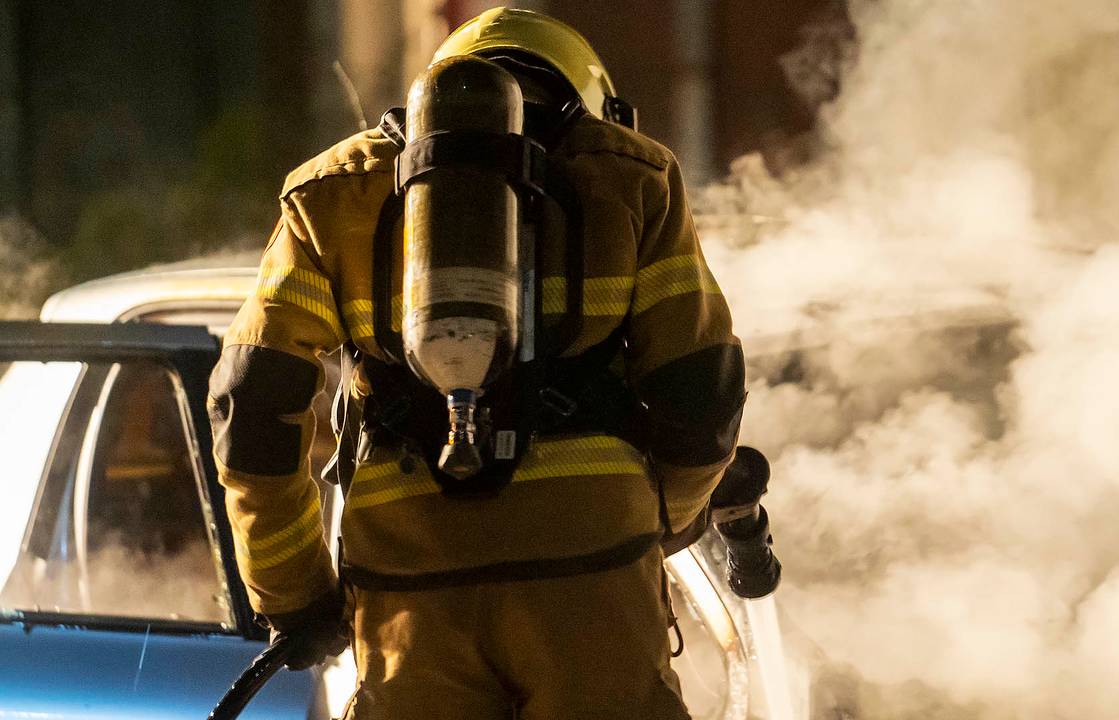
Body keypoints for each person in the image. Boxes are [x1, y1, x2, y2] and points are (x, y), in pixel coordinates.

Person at [207, 8, 746, 719]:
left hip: (409, 581)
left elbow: (250, 407)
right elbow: (701, 393)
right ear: (590, 99)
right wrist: (660, 522)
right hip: (591, 566)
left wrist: (294, 595)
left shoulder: (329, 194)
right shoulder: (635, 176)